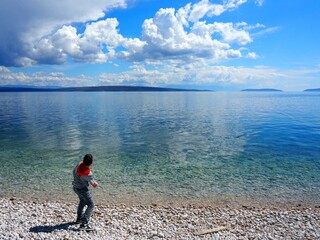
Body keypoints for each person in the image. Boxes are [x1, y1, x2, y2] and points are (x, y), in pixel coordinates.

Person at [72, 153, 98, 230]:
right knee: (91, 205)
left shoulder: (78, 164)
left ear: (83, 160)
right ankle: (84, 224)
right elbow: (93, 183)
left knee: (82, 201)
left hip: (75, 187)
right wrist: (95, 184)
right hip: (83, 189)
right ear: (91, 163)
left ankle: (79, 218)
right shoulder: (89, 174)